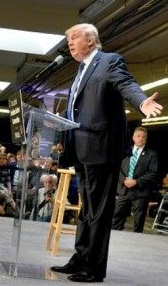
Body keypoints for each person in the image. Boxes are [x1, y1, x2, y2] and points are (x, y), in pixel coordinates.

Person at [51, 23, 163, 283]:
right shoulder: (80, 69)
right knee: (86, 209)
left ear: (90, 41)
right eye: (68, 38)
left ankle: (94, 269)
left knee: (99, 213)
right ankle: (80, 258)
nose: (69, 42)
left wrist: (141, 101)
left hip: (101, 148)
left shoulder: (110, 61)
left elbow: (127, 84)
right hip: (80, 148)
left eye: (75, 37)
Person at [112, 126, 158, 233]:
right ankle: (114, 243)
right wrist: (123, 180)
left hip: (140, 192)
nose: (140, 138)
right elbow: (116, 168)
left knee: (138, 223)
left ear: (146, 139)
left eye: (143, 137)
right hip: (124, 190)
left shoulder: (152, 154)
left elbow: (152, 173)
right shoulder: (124, 151)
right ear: (133, 137)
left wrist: (136, 181)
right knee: (116, 219)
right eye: (138, 136)